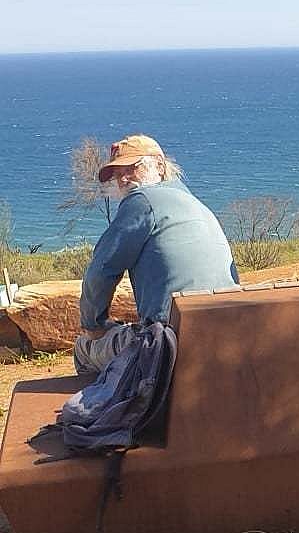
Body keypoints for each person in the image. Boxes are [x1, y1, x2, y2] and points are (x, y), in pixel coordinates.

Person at [75, 134, 239, 374]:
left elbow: (101, 270)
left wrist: (93, 325)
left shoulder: (141, 201)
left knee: (85, 348)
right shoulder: (195, 204)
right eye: (117, 174)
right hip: (227, 332)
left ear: (160, 167)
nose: (124, 179)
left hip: (168, 345)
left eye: (132, 168)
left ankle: (115, 408)